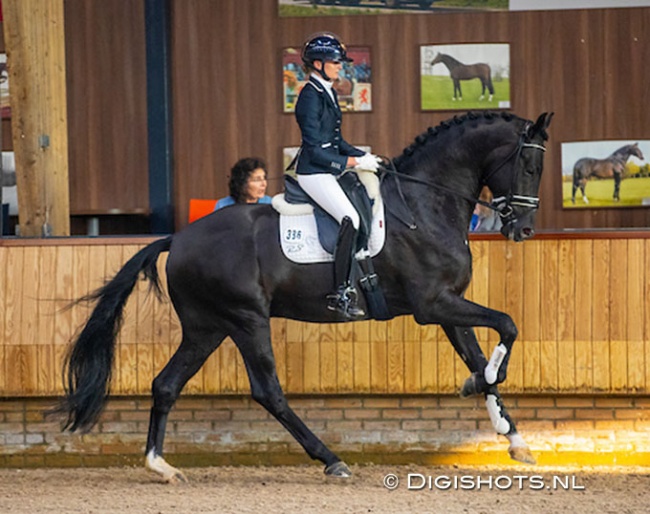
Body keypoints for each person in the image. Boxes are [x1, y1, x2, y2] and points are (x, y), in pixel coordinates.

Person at [294, 32, 382, 319]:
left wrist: (367, 156)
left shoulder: (327, 91)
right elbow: (317, 150)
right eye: (335, 62)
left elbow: (336, 141)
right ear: (317, 64)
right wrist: (354, 161)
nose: (340, 66)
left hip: (328, 166)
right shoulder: (309, 96)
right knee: (350, 219)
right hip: (314, 172)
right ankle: (341, 292)